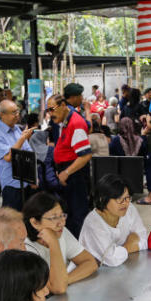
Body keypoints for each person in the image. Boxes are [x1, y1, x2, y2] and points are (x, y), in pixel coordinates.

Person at [23, 192, 98, 294]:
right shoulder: (26, 248)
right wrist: (54, 243)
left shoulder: (60, 232)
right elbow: (58, 288)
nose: (61, 223)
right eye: (54, 218)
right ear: (35, 222)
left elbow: (90, 262)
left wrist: (65, 280)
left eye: (62, 215)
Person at [79, 174, 148, 267]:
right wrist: (128, 245)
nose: (125, 203)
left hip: (123, 268)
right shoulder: (93, 223)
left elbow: (143, 238)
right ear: (102, 199)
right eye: (119, 199)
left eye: (127, 198)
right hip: (91, 272)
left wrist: (118, 251)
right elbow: (111, 259)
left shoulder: (129, 209)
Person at [49, 92, 93, 236]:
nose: (50, 114)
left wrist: (66, 172)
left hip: (75, 174)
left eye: (52, 109)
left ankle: (80, 247)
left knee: (78, 213)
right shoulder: (64, 121)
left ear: (62, 105)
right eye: (48, 110)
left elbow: (85, 155)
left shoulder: (76, 123)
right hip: (67, 172)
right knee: (70, 212)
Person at [0, 99, 35, 211]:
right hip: (11, 185)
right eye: (13, 112)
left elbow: (28, 153)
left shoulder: (17, 129)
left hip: (26, 183)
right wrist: (23, 138)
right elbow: (9, 157)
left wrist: (33, 179)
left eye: (17, 111)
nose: (17, 115)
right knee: (12, 222)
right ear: (2, 115)